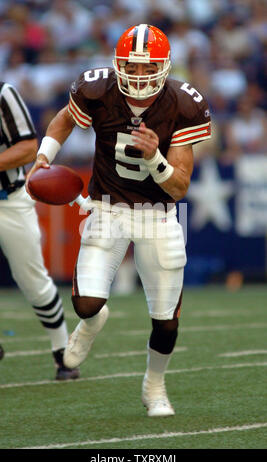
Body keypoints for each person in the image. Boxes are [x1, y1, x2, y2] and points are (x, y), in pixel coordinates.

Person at [27, 24, 211, 416]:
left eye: (149, 69)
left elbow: (179, 187)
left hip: (157, 216)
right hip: (107, 207)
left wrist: (154, 158)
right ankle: (91, 326)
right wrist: (45, 155)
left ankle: (155, 385)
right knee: (86, 303)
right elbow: (63, 119)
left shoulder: (183, 102)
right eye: (132, 66)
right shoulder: (97, 88)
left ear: (164, 68)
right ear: (117, 63)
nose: (140, 76)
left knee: (165, 320)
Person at [0, 81, 79, 381]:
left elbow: (28, 148)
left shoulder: (3, 94)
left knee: (31, 279)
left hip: (8, 198)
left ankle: (63, 352)